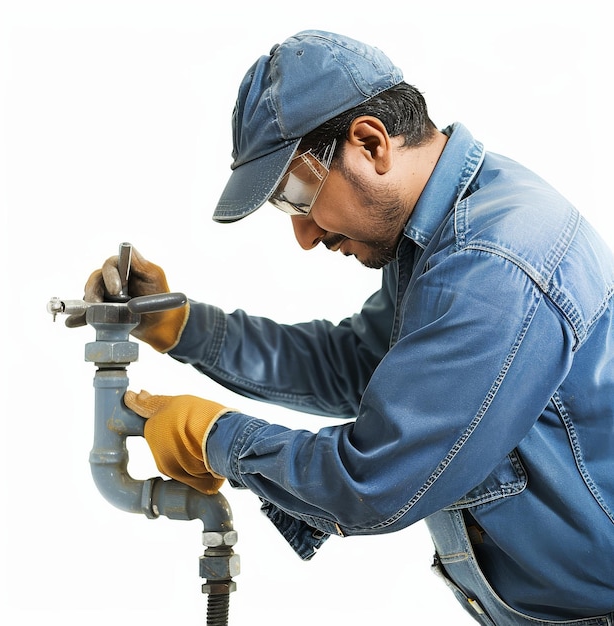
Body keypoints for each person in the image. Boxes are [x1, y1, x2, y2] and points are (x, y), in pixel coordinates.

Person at [70, 30, 614, 625]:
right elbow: (352, 363)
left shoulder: (493, 263)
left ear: (370, 142)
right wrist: (183, 328)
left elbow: (374, 480)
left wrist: (217, 438)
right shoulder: (445, 233)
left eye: (296, 194)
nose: (304, 236)